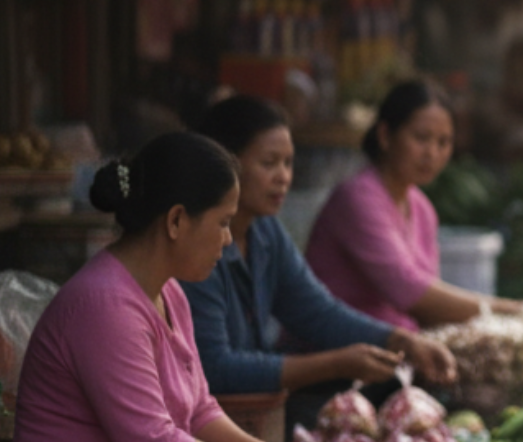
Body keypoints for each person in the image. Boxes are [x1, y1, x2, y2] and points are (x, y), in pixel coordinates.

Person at [3, 132, 359, 442]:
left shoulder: (168, 291)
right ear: (176, 221)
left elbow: (200, 412)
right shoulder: (105, 306)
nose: (228, 241)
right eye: (223, 223)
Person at [187, 96, 457, 422]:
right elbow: (214, 369)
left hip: (255, 413)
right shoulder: (195, 247)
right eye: (269, 163)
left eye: (288, 163)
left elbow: (316, 311)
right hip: (205, 422)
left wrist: (399, 340)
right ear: (225, 164)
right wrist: (335, 363)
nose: (283, 177)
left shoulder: (265, 232)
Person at [307, 80, 522, 331]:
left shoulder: (422, 209)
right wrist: (512, 311)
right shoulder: (357, 198)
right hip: (335, 353)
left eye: (443, 143)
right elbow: (408, 291)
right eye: (421, 138)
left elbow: (428, 305)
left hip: (396, 348)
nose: (432, 153)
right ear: (385, 135)